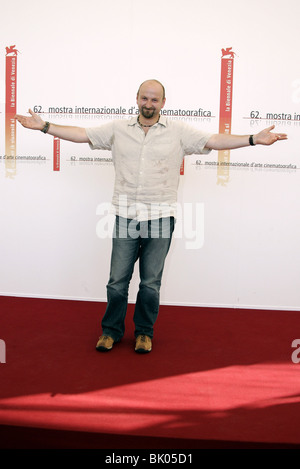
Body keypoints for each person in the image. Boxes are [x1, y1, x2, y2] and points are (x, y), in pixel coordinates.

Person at [15, 79, 287, 354]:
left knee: (150, 283)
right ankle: (111, 331)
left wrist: (253, 139)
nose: (149, 104)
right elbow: (82, 134)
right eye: (144, 98)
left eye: (154, 100)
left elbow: (213, 140)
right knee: (117, 281)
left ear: (163, 103)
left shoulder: (178, 130)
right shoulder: (118, 129)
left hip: (160, 216)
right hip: (125, 215)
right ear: (137, 99)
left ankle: (144, 333)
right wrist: (45, 127)